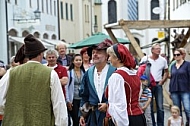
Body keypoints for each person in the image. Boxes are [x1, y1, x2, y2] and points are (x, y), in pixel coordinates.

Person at [0, 34, 68, 126]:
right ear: (40, 54)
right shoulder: (50, 73)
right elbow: (59, 105)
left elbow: (0, 100)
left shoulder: (11, 72)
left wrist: (12, 113)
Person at [106, 43, 146, 126]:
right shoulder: (135, 75)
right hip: (139, 117)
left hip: (126, 119)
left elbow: (118, 104)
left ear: (118, 58)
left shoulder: (117, 76)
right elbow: (137, 97)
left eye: (110, 56)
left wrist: (120, 123)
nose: (109, 59)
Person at [79, 39, 116, 126]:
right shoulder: (88, 73)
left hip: (111, 116)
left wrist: (108, 105)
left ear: (107, 55)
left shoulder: (115, 71)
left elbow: (121, 96)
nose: (95, 54)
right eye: (93, 52)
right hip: (93, 116)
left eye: (98, 52)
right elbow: (84, 95)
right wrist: (82, 115)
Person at [140, 43, 168, 126]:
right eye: (156, 48)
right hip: (147, 85)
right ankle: (152, 124)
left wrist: (162, 81)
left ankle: (160, 124)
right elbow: (140, 70)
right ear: (152, 50)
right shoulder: (145, 58)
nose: (159, 50)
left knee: (160, 107)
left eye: (159, 48)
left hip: (158, 84)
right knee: (150, 106)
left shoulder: (163, 60)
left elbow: (166, 72)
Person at [169, 49, 190, 126]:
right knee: (177, 110)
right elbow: (172, 78)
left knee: (187, 109)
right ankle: (180, 124)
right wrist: (170, 91)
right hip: (174, 90)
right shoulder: (173, 66)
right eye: (174, 55)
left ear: (182, 55)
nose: (176, 56)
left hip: (185, 89)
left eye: (178, 54)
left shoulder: (187, 64)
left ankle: (188, 122)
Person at [66, 54, 85, 126]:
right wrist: (68, 100)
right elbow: (66, 87)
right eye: (76, 60)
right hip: (73, 99)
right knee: (75, 120)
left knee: (83, 119)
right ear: (73, 61)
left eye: (80, 60)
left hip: (82, 99)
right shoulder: (69, 73)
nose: (78, 62)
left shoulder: (84, 72)